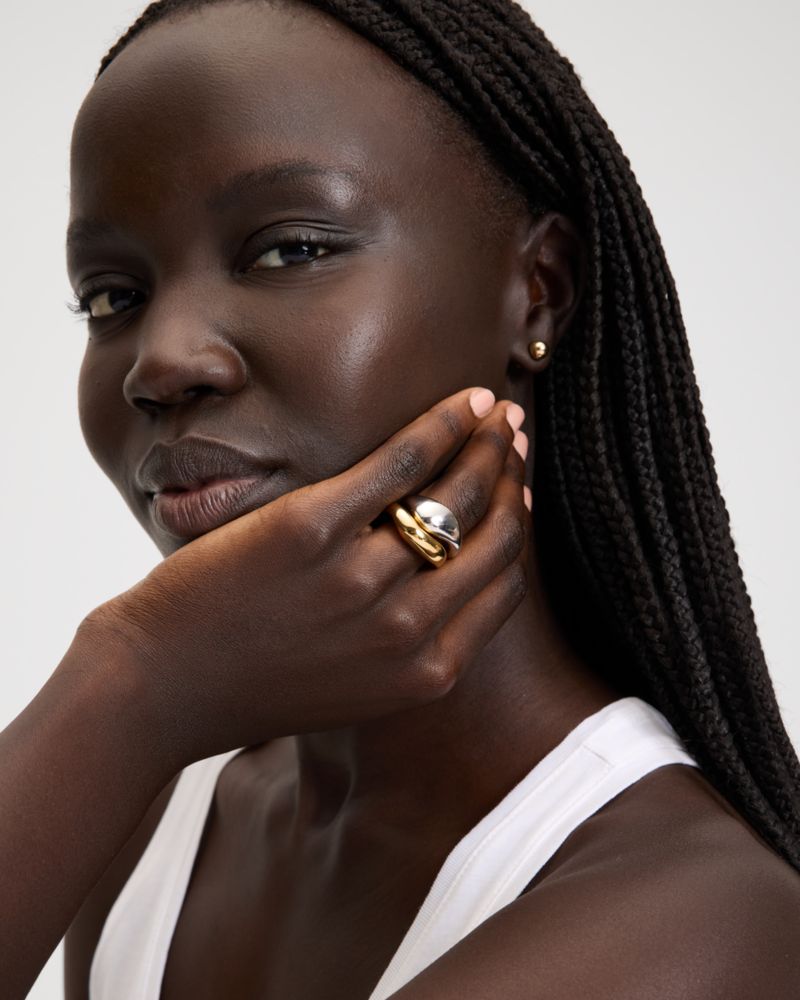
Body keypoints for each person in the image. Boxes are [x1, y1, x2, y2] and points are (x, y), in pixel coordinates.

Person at [2, 0, 799, 997]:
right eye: (112, 295)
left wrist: (128, 681)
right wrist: (127, 691)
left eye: (289, 248)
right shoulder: (146, 808)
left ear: (537, 290)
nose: (160, 362)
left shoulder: (694, 920)